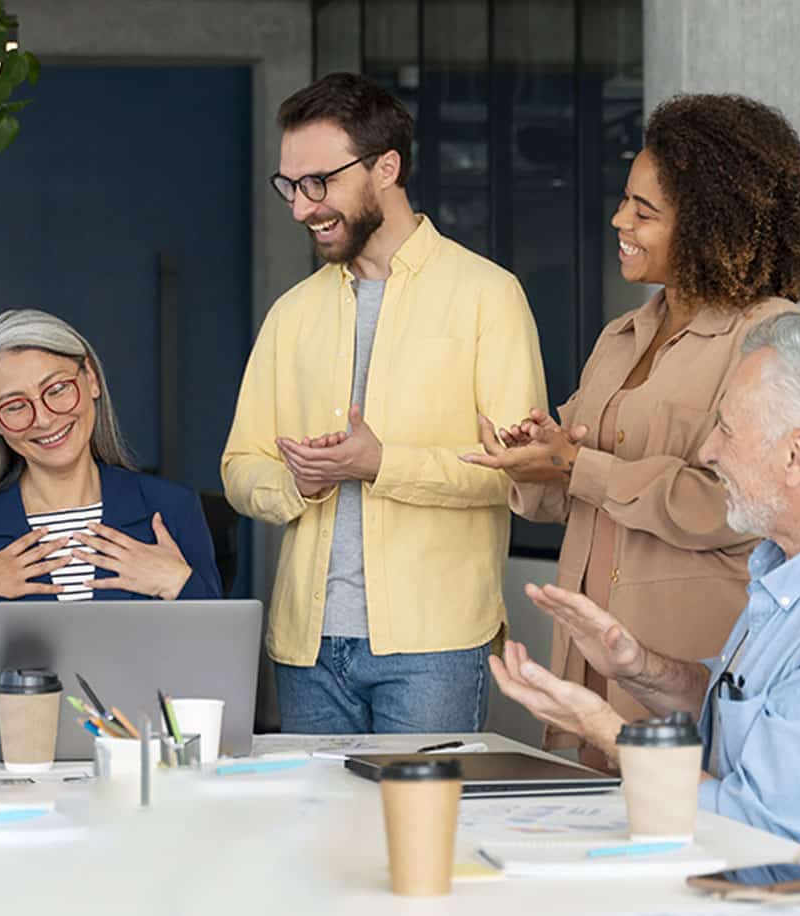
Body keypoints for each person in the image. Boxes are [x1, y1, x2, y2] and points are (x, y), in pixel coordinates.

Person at [491, 312, 800, 877]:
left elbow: (756, 830)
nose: (707, 452)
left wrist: (602, 727)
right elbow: (738, 714)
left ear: (798, 457)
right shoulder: (795, 566)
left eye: (726, 428)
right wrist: (637, 667)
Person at [465, 94, 800, 763]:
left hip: (682, 669)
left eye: (644, 210)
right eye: (624, 201)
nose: (618, 219)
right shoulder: (622, 336)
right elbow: (564, 489)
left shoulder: (773, 336)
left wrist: (580, 467)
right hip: (588, 660)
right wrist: (532, 461)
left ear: (709, 224)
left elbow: (735, 505)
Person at [221, 72, 546, 734]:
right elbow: (237, 467)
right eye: (289, 186)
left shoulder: (489, 296)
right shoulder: (293, 313)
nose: (301, 207)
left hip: (435, 647)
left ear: (386, 167)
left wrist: (381, 464)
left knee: (421, 836)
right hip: (306, 648)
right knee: (323, 839)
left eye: (320, 183)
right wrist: (296, 480)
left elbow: (523, 472)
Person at [0, 310, 223, 733]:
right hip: (7, 780)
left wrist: (179, 586)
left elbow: (220, 687)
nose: (44, 418)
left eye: (57, 390)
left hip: (141, 772)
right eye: (16, 406)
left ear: (90, 379)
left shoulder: (170, 510)